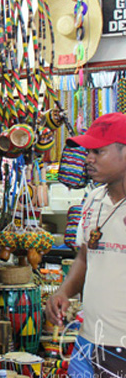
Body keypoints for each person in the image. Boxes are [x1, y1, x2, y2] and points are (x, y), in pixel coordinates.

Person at [45, 112, 126, 378]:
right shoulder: (92, 200)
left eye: (98, 152)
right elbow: (84, 256)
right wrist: (63, 292)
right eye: (88, 151)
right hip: (88, 337)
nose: (88, 159)